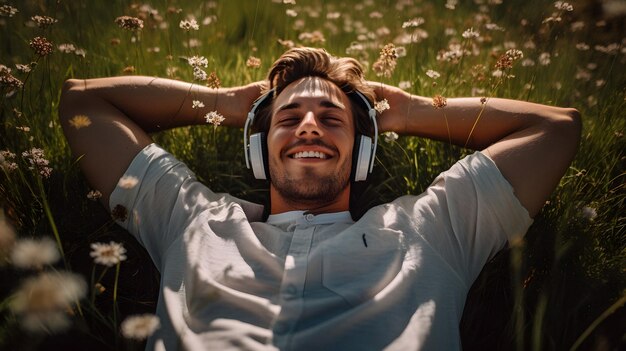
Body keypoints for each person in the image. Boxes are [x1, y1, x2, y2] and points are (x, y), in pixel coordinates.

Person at [58, 47, 581, 350]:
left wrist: (414, 108)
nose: (309, 126)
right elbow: (83, 100)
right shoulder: (194, 220)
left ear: (364, 151)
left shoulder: (430, 229)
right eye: (288, 119)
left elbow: (555, 128)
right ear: (258, 149)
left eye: (332, 120)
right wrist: (219, 103)